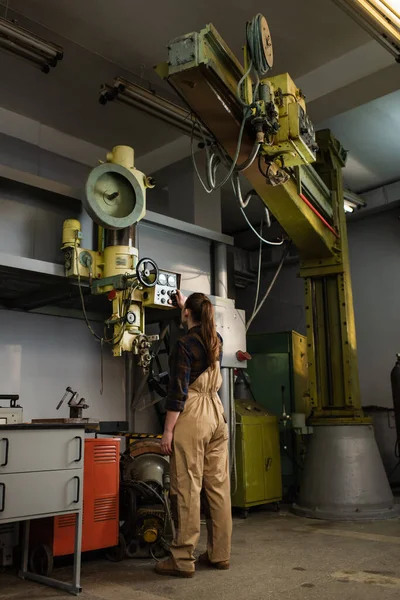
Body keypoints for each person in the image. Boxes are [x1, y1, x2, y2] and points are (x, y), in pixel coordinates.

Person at [155, 291, 232, 578]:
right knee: (218, 488)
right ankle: (220, 554)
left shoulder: (184, 345)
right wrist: (187, 305)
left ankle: (183, 559)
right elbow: (202, 323)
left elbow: (177, 393)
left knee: (187, 487)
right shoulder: (217, 339)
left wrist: (167, 431)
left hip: (195, 413)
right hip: (217, 413)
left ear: (187, 313)